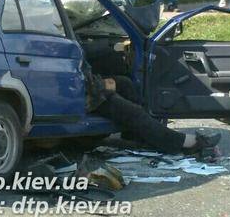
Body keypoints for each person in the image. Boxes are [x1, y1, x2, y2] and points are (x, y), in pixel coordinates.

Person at [83, 62, 221, 156]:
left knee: (124, 83)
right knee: (131, 112)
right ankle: (184, 143)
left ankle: (139, 137)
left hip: (84, 83)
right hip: (80, 92)